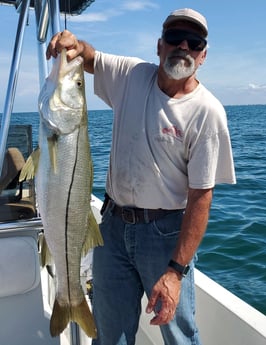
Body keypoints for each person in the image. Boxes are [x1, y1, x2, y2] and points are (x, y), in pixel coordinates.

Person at [47, 7, 236, 345]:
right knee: (110, 334)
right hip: (112, 228)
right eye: (174, 38)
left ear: (203, 55)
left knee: (179, 335)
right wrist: (73, 44)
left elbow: (200, 198)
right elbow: (89, 58)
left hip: (164, 237)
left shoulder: (208, 113)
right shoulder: (133, 75)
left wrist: (175, 272)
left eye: (193, 42)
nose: (183, 46)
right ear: (159, 45)